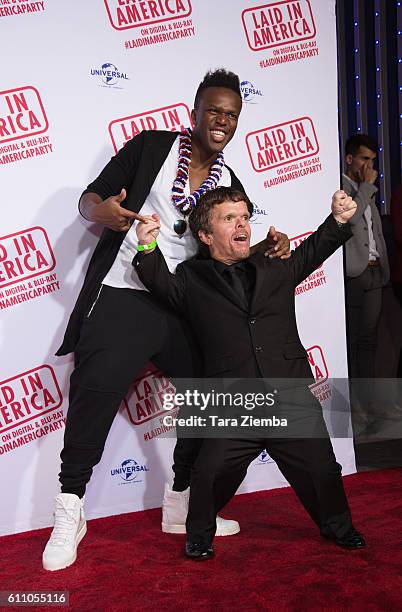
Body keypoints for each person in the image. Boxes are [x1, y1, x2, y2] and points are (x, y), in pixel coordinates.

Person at [42, 69, 291, 571]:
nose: (221, 121)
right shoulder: (151, 147)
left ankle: (180, 504)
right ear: (195, 113)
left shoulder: (230, 184)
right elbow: (90, 196)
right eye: (214, 111)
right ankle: (70, 511)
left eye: (231, 116)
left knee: (205, 398)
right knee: (92, 399)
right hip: (124, 295)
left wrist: (267, 247)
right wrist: (102, 213)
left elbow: (230, 254)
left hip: (184, 303)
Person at [134, 186, 366, 560]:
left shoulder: (274, 264)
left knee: (322, 469)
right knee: (208, 473)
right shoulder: (191, 278)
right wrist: (146, 248)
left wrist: (339, 219)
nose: (242, 224)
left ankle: (339, 527)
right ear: (207, 236)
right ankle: (199, 535)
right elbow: (160, 282)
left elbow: (314, 250)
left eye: (244, 217)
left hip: (289, 394)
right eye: (230, 218)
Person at [342, 135, 390, 433]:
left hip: (374, 272)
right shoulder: (342, 188)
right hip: (354, 275)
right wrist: (366, 189)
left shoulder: (365, 190)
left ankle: (368, 407)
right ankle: (354, 411)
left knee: (369, 343)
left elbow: (374, 231)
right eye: (363, 159)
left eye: (372, 160)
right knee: (354, 343)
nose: (368, 166)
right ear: (350, 159)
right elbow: (348, 221)